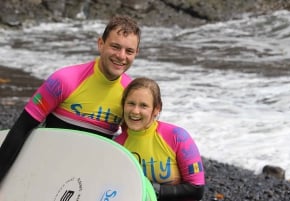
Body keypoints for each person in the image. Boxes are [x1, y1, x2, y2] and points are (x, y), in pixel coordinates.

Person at [0, 15, 141, 182]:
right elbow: (21, 129)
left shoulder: (131, 94)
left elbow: (133, 144)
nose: (121, 56)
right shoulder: (64, 81)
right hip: (47, 170)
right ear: (101, 44)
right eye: (115, 47)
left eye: (129, 51)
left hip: (89, 178)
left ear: (136, 53)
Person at [114, 77, 205, 201]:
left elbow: (196, 189)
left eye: (143, 106)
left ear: (156, 109)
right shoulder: (118, 146)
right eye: (131, 103)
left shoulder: (177, 137)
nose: (135, 111)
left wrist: (152, 189)